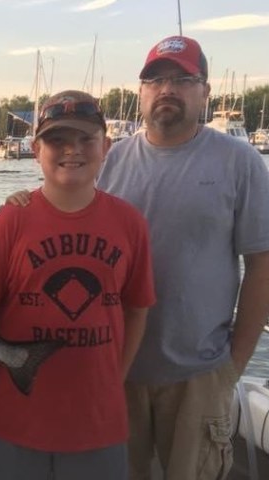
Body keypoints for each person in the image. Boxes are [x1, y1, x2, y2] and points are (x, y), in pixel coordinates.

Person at [96, 36, 269, 480]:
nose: (167, 89)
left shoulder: (240, 162)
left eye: (182, 79)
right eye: (155, 80)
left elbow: (262, 267)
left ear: (205, 92)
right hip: (117, 371)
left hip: (200, 375)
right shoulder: (109, 162)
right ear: (141, 92)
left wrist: (233, 365)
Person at [0, 90, 156, 480]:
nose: (73, 150)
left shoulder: (129, 223)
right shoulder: (8, 224)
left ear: (106, 145)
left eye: (86, 139)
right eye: (58, 140)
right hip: (15, 416)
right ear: (36, 149)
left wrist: (115, 377)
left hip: (98, 422)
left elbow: (137, 309)